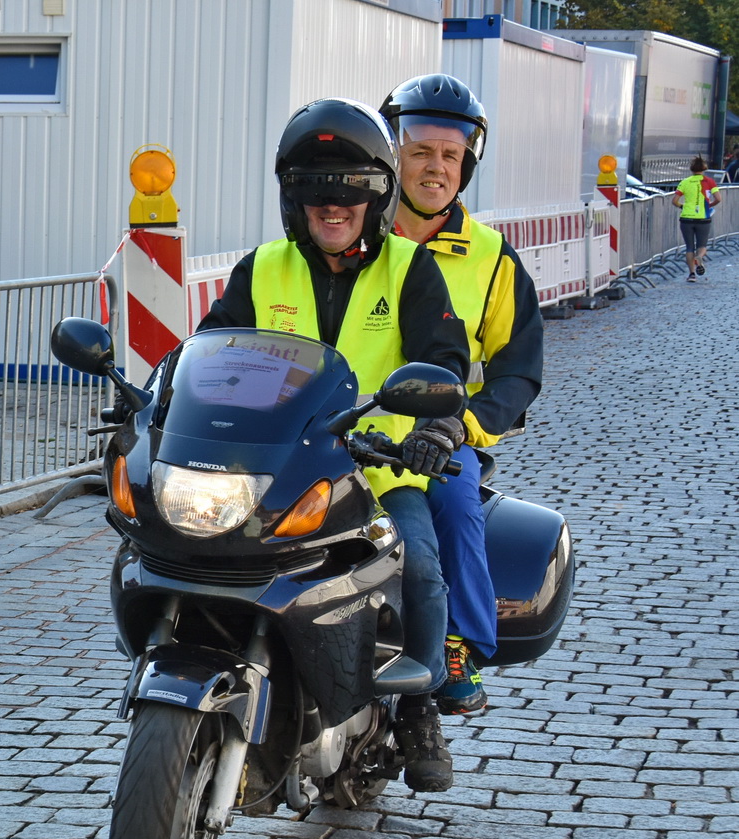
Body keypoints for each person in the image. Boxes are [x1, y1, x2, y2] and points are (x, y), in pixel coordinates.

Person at [196, 98, 471, 792]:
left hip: (378, 470)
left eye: (349, 188)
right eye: (316, 188)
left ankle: (417, 705)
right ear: (295, 198)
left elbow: (445, 359)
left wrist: (436, 428)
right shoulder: (261, 269)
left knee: (419, 568)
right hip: (276, 471)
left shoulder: (409, 269)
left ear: (376, 196)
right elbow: (207, 352)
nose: (333, 203)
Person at [381, 74, 544, 718]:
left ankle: (458, 647)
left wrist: (464, 424)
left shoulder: (492, 259)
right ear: (392, 153)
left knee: (453, 502)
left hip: (439, 437)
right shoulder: (350, 234)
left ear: (467, 164)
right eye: (421, 151)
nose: (435, 168)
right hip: (343, 424)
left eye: (451, 156)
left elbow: (517, 369)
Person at [673, 156, 721, 281]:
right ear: (704, 168)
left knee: (689, 247)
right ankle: (699, 257)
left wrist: (682, 207)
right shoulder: (709, 181)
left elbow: (675, 201)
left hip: (687, 218)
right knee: (702, 245)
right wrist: (709, 205)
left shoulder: (685, 182)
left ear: (692, 169)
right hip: (703, 218)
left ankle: (691, 274)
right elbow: (718, 198)